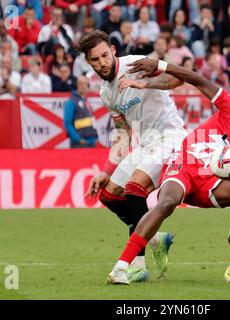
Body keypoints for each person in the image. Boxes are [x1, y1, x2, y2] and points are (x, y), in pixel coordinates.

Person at [107, 57, 230, 285]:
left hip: (209, 186)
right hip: (185, 163)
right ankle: (121, 267)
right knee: (166, 203)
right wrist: (160, 65)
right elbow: (197, 79)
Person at [79, 30, 187, 283]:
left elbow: (177, 80)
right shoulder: (106, 93)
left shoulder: (136, 65)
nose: (102, 63)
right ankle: (156, 239)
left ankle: (137, 267)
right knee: (108, 193)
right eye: (95, 60)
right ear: (88, 62)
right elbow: (123, 135)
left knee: (134, 188)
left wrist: (144, 83)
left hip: (170, 137)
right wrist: (106, 170)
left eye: (105, 55)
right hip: (145, 144)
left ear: (113, 50)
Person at [63, 76, 98, 148]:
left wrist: (95, 136)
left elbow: (91, 120)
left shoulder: (86, 101)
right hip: (79, 144)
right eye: (81, 84)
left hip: (91, 142)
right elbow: (67, 123)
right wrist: (78, 139)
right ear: (76, 85)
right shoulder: (71, 102)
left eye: (86, 84)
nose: (84, 86)